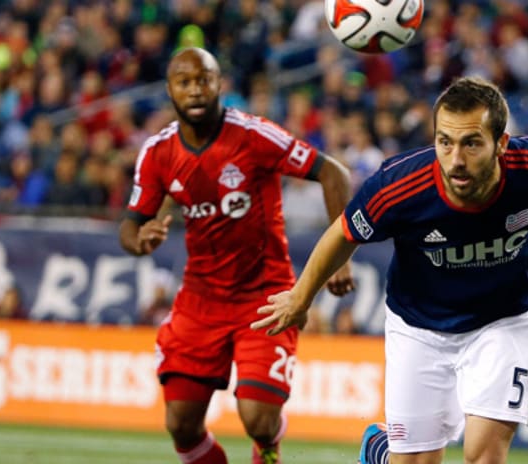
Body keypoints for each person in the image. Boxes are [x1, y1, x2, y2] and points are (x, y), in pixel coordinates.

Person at [251, 77, 528, 464]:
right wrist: (301, 297)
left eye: (472, 143)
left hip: (503, 319)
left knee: (484, 458)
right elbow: (342, 234)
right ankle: (383, 450)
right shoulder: (398, 186)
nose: (456, 159)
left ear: (501, 144)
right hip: (419, 327)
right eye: (445, 142)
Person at [118, 47, 353, 464]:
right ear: (170, 90)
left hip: (265, 295)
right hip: (200, 300)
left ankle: (269, 443)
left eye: (203, 80)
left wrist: (341, 257)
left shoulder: (253, 135)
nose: (195, 90)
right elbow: (130, 226)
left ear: (219, 84)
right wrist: (141, 240)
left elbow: (333, 172)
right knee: (182, 426)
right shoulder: (158, 153)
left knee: (258, 419)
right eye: (184, 82)